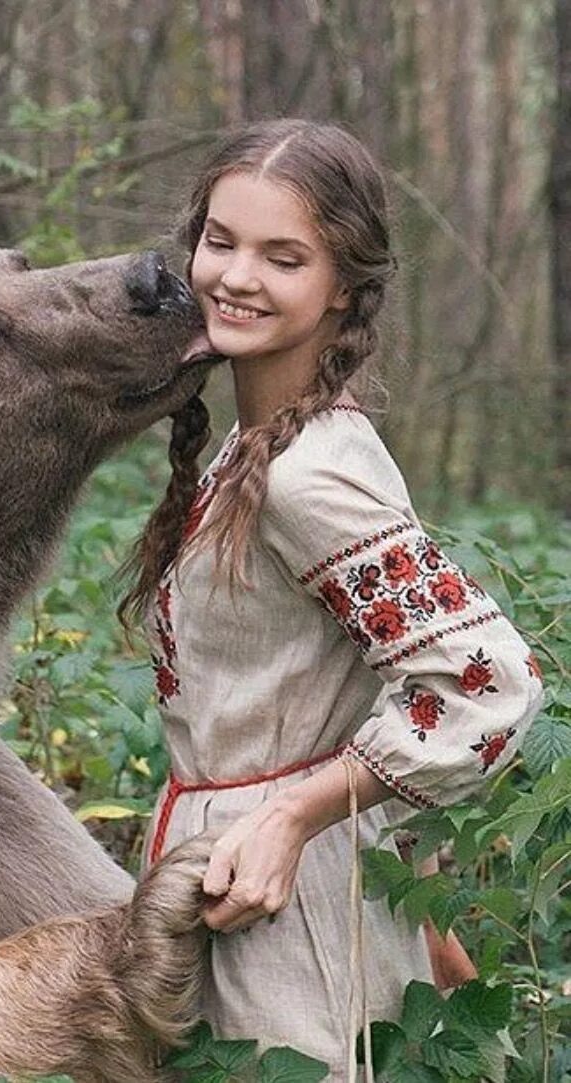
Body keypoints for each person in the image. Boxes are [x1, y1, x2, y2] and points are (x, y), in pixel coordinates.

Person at [119, 118, 544, 1075]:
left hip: (287, 908)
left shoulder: (309, 473)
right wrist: (420, 897)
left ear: (343, 287)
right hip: (242, 881)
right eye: (219, 242)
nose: (234, 276)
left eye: (283, 257)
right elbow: (370, 680)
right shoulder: (254, 448)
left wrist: (289, 819)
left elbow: (488, 683)